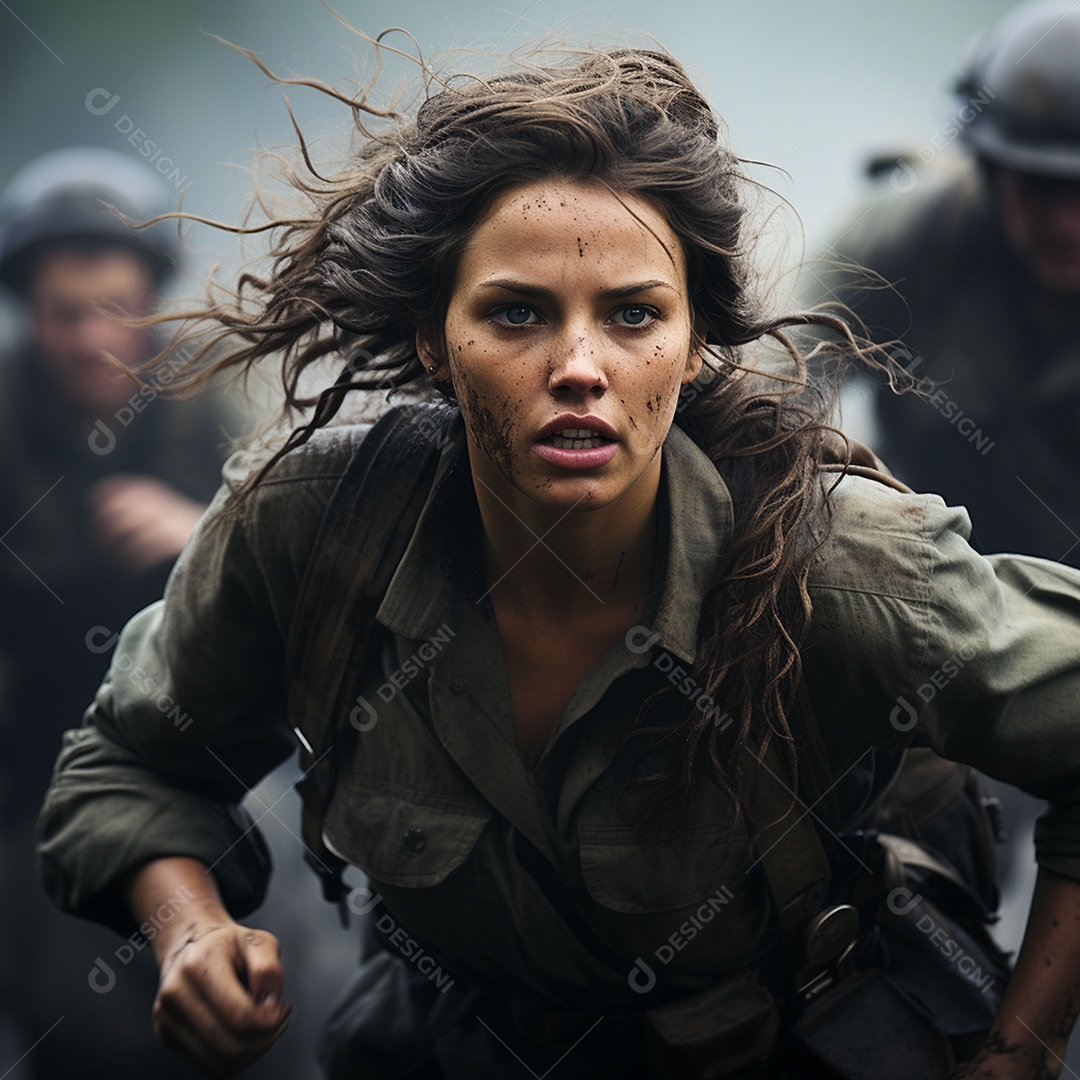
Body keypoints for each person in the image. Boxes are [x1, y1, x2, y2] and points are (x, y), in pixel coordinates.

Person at [34, 45, 1080, 1080]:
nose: (579, 368)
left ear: (695, 343)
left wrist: (1021, 1051)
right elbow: (128, 762)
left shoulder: (838, 566)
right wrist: (190, 931)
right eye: (516, 313)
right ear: (435, 339)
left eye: (633, 315)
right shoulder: (315, 529)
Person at [0, 147, 244, 1079]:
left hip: (201, 746)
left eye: (117, 308)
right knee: (72, 1017)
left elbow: (288, 550)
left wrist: (198, 532)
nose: (93, 337)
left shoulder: (199, 397)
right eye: (66, 314)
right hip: (30, 757)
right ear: (29, 314)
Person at [811, 0, 1080, 566]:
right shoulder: (909, 240)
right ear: (989, 168)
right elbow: (773, 378)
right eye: (1039, 184)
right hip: (919, 577)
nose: (1066, 223)